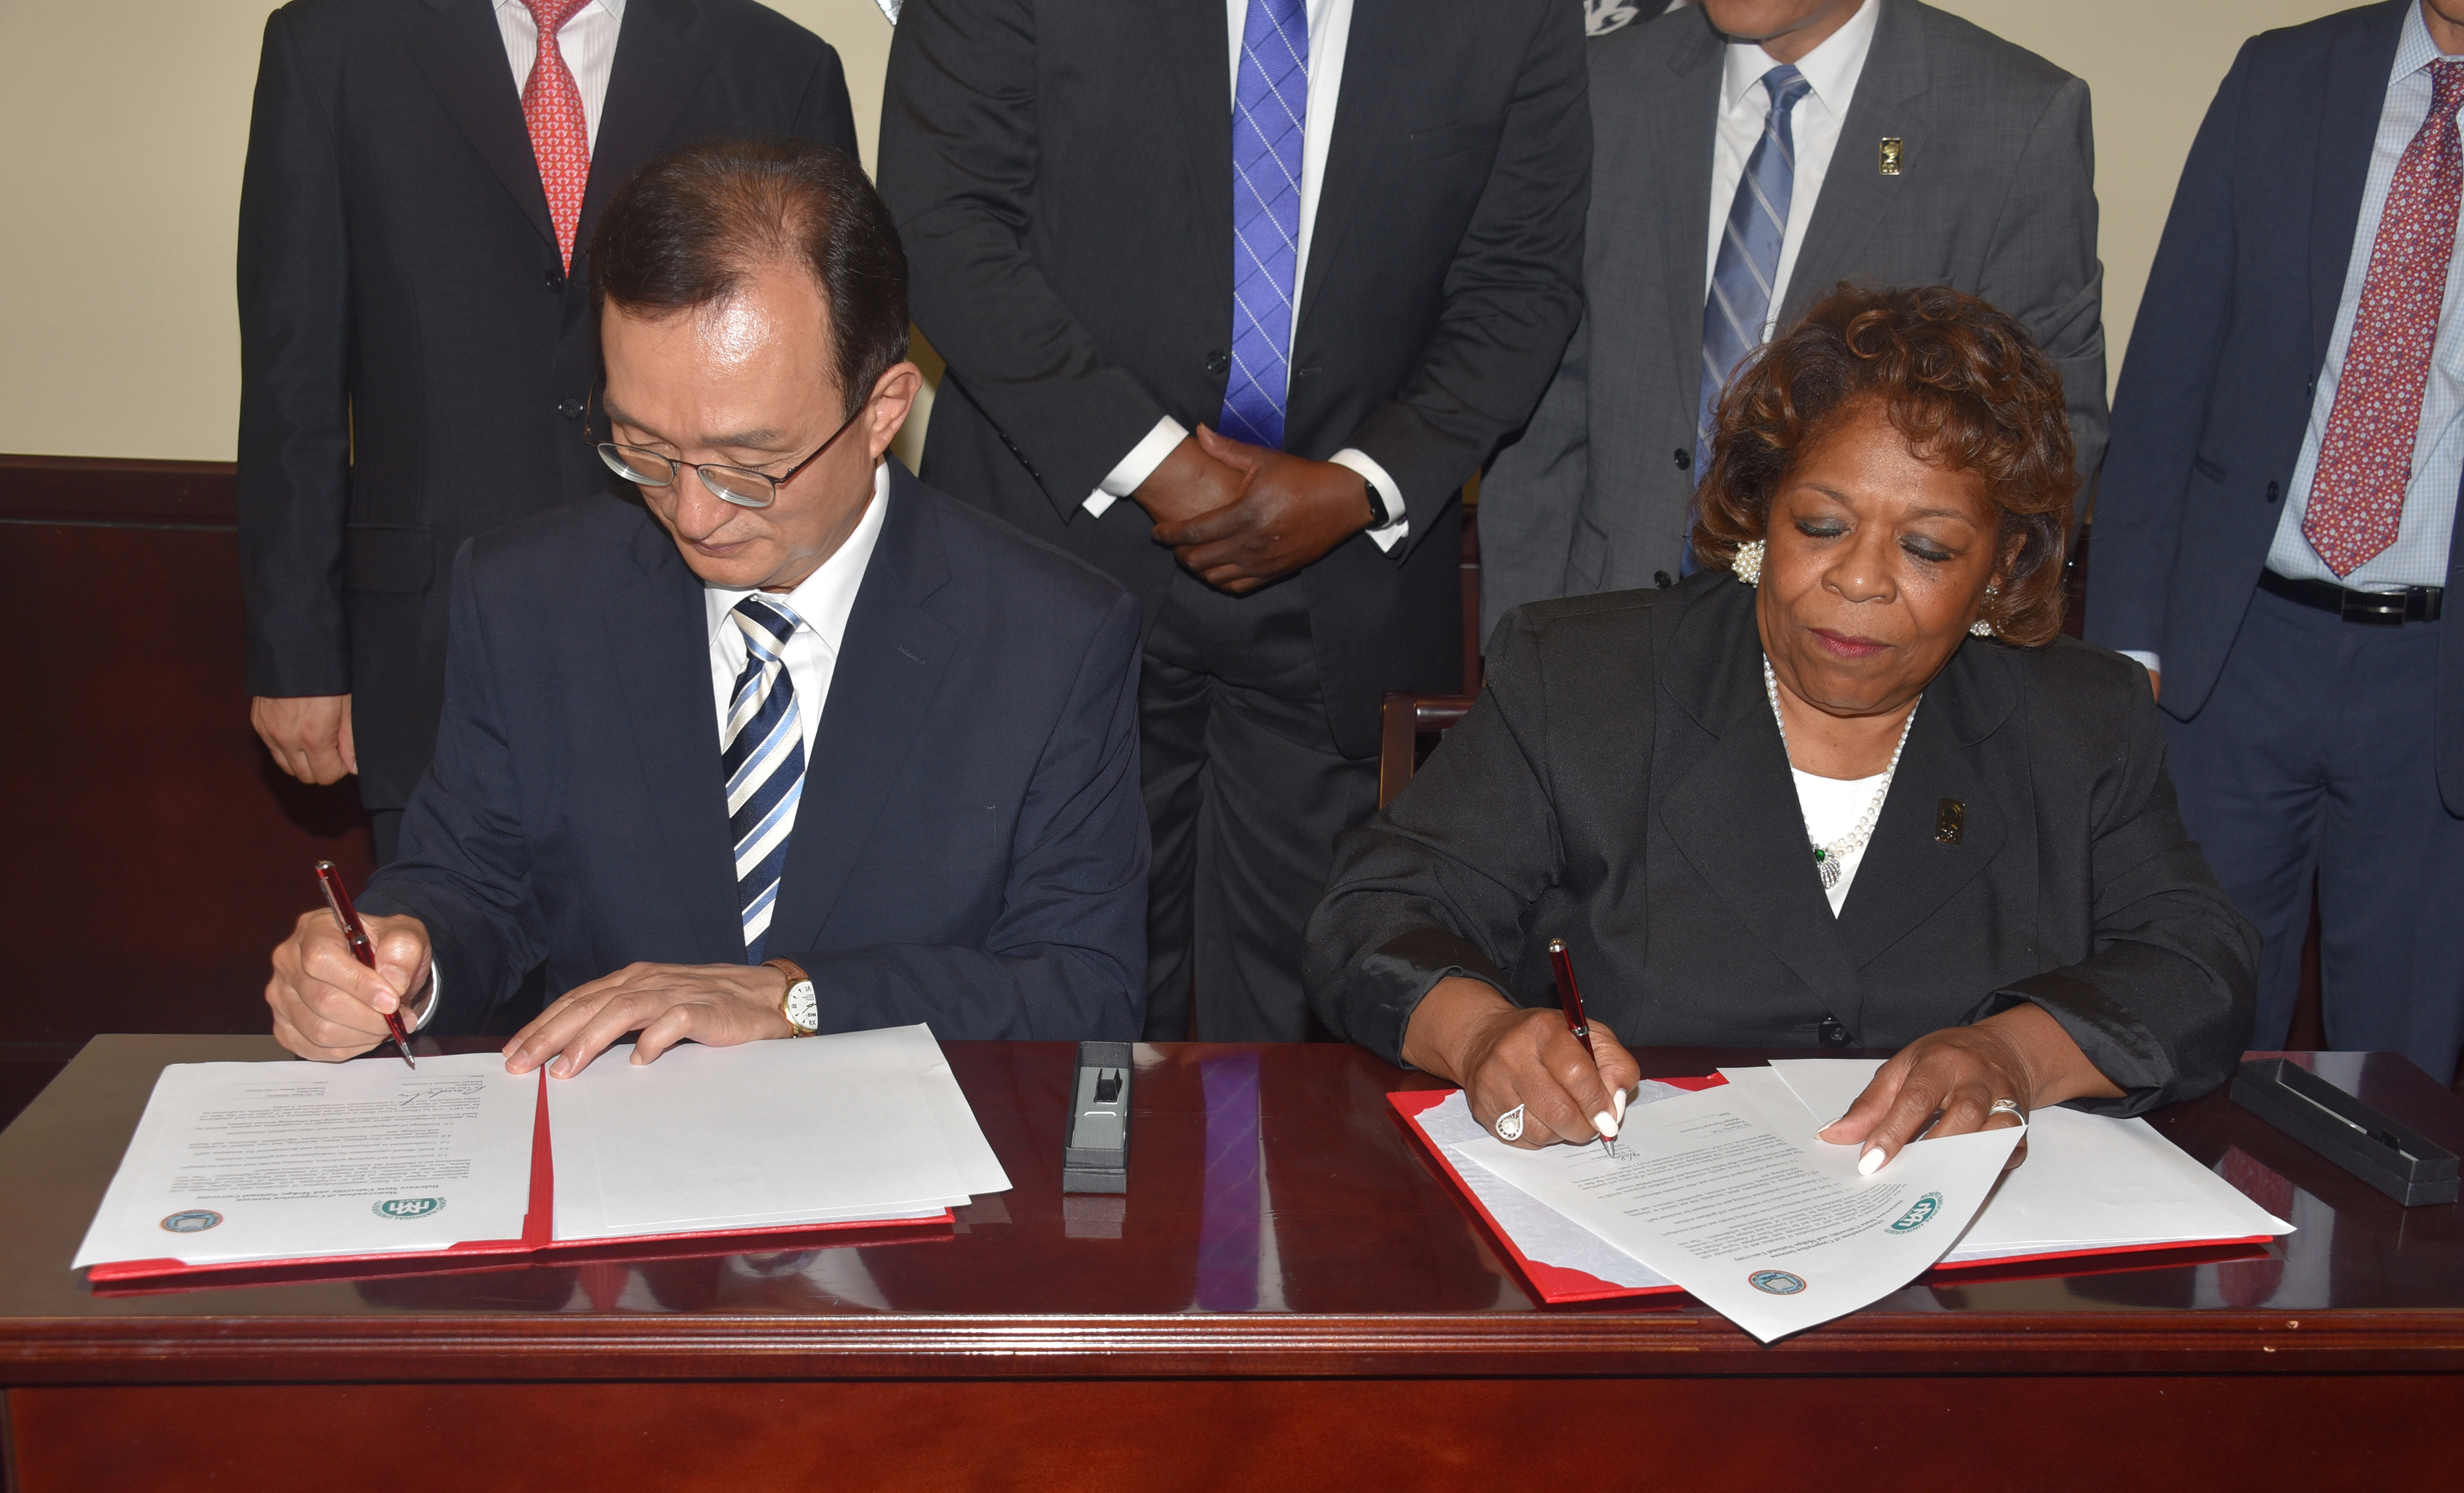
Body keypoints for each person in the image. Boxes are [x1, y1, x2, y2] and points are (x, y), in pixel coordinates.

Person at [1308, 285, 2251, 1493]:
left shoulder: (2074, 724)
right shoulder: (1585, 677)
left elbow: (2198, 961)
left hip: (1952, 1372)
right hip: (1636, 1353)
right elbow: (1372, 912)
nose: (1856, 581)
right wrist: (1482, 1034)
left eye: (1926, 547)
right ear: (1755, 512)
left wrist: (2010, 1051)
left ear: (2002, 570)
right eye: (1818, 525)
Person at [265, 138, 1148, 1084]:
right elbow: (471, 885)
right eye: (642, 449)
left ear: (884, 408)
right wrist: (399, 963)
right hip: (620, 1175)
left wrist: (797, 999)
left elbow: (1083, 991)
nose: (694, 514)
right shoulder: (530, 598)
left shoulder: (1050, 635)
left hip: (915, 1183)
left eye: (747, 465)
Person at [878, 0, 1590, 1044]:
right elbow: (941, 222)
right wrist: (1160, 464)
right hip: (1058, 564)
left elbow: (1521, 288)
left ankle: (1267, 1220)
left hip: (1343, 591)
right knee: (1054, 1021)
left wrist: (1357, 485)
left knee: (1317, 1043)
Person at [2085, 0, 2464, 1086]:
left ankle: (2364, 1266)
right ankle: (2196, 1262)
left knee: (2396, 1080)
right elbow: (2172, 360)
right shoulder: (2284, 76)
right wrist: (2125, 640)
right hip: (2230, 656)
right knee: (2180, 1034)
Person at [238, 0, 858, 861]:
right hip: (428, 651)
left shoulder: (777, 66)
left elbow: (831, 382)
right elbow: (289, 374)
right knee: (445, 967)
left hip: (706, 636)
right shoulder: (331, 48)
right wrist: (297, 652)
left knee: (667, 987)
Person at [1478, 0, 2108, 636]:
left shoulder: (2010, 121)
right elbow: (1544, 414)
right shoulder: (1602, 88)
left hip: (1871, 658)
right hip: (1606, 635)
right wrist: (1520, 655)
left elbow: (2046, 445)